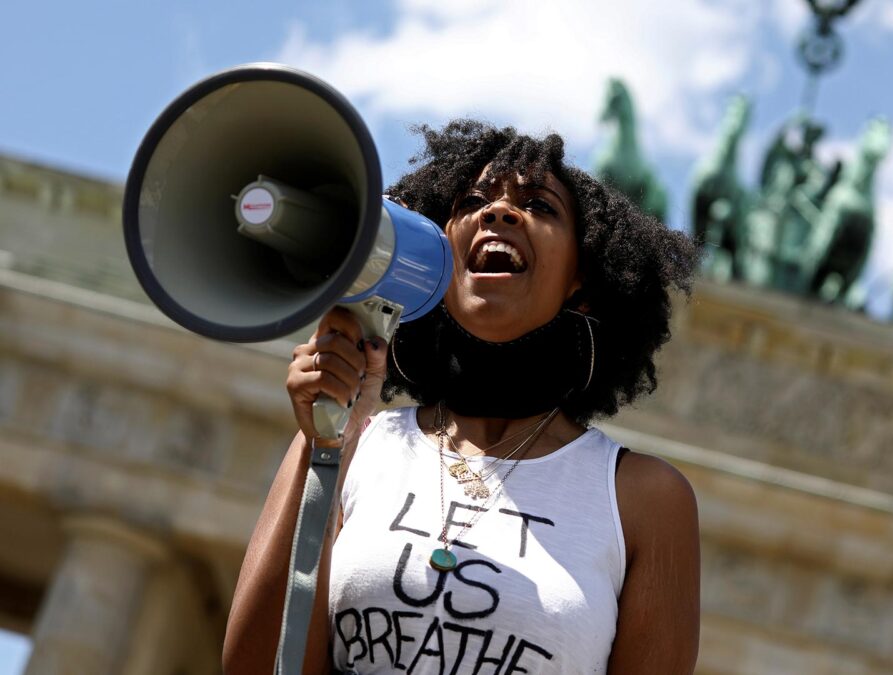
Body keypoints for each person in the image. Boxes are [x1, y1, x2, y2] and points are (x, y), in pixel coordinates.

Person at [223, 120, 701, 674]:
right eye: (473, 201)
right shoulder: (358, 444)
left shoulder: (643, 499)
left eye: (541, 207)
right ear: (439, 257)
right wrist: (325, 447)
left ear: (584, 281)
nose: (497, 213)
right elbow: (253, 666)